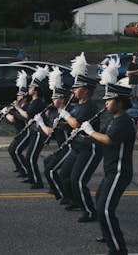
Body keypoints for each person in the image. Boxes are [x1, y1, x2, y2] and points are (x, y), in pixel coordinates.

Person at [80, 82, 135, 255]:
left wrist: (90, 132)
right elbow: (99, 138)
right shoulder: (113, 121)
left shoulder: (125, 121)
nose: (105, 103)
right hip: (111, 171)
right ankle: (108, 234)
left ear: (119, 102)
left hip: (120, 171)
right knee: (100, 203)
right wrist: (80, 136)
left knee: (105, 209)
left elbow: (110, 140)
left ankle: (118, 249)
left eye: (109, 99)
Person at [59, 62, 103, 222]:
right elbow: (71, 125)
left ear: (85, 90)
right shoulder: (77, 106)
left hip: (89, 148)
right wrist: (60, 124)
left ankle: (90, 211)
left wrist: (64, 114)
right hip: (77, 147)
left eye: (76, 88)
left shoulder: (89, 107)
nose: (72, 91)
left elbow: (76, 124)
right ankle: (74, 200)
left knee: (78, 180)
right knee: (64, 175)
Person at [13, 66, 49, 189]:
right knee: (29, 156)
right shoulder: (34, 102)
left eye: (31, 87)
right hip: (34, 131)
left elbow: (27, 115)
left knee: (31, 157)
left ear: (36, 90)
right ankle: (32, 177)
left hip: (40, 132)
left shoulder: (38, 101)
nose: (29, 88)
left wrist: (17, 108)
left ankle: (38, 181)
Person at [36, 86, 73, 201]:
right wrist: (37, 126)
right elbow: (51, 135)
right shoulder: (56, 114)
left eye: (55, 98)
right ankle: (55, 188)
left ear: (62, 99)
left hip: (70, 148)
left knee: (50, 171)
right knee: (47, 161)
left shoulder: (68, 113)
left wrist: (41, 123)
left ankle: (65, 196)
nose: (52, 100)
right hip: (62, 147)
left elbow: (50, 131)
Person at [6, 82, 31, 178]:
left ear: (24, 97)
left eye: (19, 95)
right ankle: (20, 166)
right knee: (11, 149)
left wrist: (9, 114)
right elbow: (12, 122)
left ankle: (25, 171)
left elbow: (14, 119)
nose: (17, 96)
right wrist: (5, 114)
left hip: (26, 132)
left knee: (15, 151)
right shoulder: (20, 107)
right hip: (20, 132)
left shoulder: (26, 108)